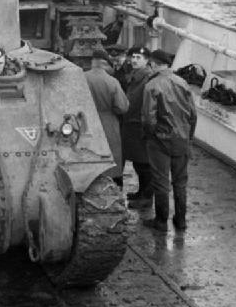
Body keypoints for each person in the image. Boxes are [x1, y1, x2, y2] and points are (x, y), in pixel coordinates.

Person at [141, 49, 198, 233]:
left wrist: (150, 135)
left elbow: (148, 119)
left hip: (160, 141)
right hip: (181, 139)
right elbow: (193, 115)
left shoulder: (151, 86)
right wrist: (189, 138)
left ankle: (161, 221)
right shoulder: (182, 82)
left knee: (161, 182)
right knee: (180, 182)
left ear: (154, 64)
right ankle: (180, 221)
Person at [84, 48, 129, 186]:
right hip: (108, 123)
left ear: (93, 62)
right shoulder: (112, 81)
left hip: (85, 123)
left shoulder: (81, 77)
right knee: (109, 158)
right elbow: (122, 107)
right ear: (105, 64)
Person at [121, 46, 154, 206]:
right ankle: (141, 192)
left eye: (138, 58)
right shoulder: (135, 75)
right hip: (131, 125)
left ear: (147, 61)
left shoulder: (147, 79)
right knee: (138, 162)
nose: (134, 60)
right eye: (133, 57)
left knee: (144, 163)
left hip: (140, 125)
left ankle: (147, 197)